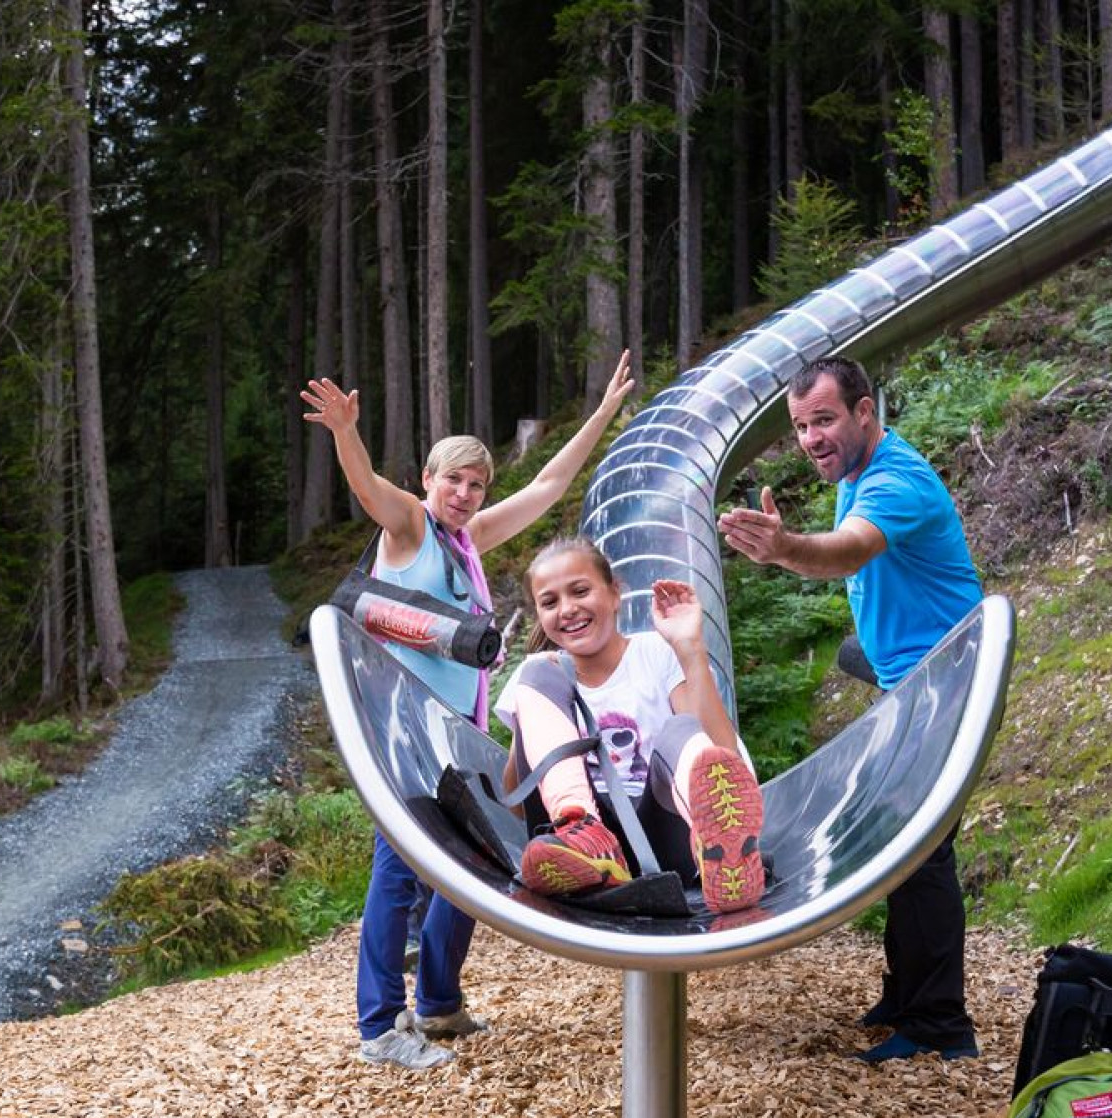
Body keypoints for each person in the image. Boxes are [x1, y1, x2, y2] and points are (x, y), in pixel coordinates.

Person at [301, 352, 635, 1069]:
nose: (465, 492)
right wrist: (345, 432)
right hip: (403, 732)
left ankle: (440, 1002)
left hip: (456, 734)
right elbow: (367, 487)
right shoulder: (410, 527)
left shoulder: (470, 540)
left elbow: (549, 485)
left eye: (477, 484)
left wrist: (604, 412)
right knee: (400, 869)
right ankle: (380, 1026)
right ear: (429, 479)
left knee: (473, 864)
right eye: (454, 479)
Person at [716, 355, 983, 1064]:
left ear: (866, 412)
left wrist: (784, 548)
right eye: (801, 426)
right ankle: (906, 993)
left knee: (923, 852)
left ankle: (940, 1024)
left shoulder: (895, 480)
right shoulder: (856, 472)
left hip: (946, 685)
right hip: (912, 680)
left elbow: (847, 551)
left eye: (824, 420)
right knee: (903, 844)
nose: (811, 439)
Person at [494, 538, 765, 913]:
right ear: (539, 615)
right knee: (537, 671)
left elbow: (724, 753)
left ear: (614, 593)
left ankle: (725, 849)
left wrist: (689, 648)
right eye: (550, 602)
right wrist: (530, 715)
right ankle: (582, 830)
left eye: (580, 591)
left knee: (679, 730)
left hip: (663, 834)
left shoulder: (655, 652)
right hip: (578, 849)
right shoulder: (540, 676)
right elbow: (520, 807)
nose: (567, 609)